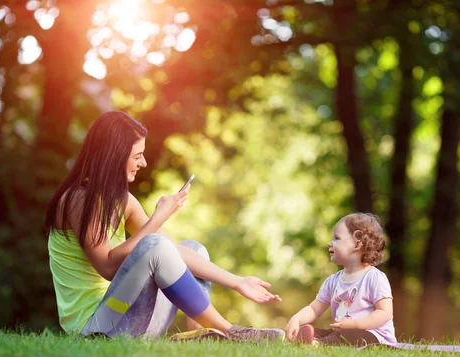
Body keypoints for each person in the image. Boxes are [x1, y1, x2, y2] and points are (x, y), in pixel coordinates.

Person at [45, 111, 285, 343]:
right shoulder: (78, 200)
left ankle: (203, 334)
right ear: (114, 155)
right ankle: (234, 332)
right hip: (96, 328)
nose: (144, 162)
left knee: (193, 249)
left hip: (130, 320)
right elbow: (107, 266)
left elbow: (172, 251)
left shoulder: (123, 201)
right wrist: (156, 219)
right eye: (137, 155)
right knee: (155, 245)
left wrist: (237, 281)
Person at [284, 213, 396, 346]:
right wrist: (297, 319)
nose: (329, 243)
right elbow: (314, 309)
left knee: (346, 336)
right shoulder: (332, 281)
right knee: (320, 332)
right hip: (341, 333)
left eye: (336, 238)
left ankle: (318, 344)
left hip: (374, 336)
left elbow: (385, 313)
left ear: (357, 244)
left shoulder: (374, 278)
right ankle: (309, 339)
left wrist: (355, 324)